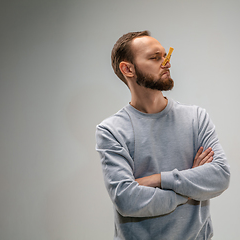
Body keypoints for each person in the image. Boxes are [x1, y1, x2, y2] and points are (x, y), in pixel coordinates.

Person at [95, 30, 230, 240]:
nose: (166, 62)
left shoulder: (196, 118)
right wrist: (189, 184)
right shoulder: (111, 130)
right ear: (128, 69)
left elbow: (220, 176)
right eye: (154, 57)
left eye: (165, 55)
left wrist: (156, 179)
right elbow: (127, 200)